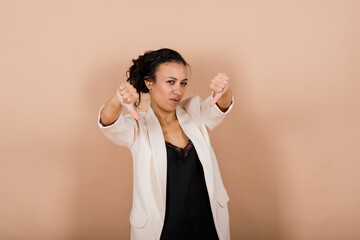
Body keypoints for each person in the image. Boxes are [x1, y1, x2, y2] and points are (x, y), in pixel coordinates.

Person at [97, 48, 234, 240]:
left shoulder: (194, 112)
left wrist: (224, 90)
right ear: (149, 82)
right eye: (170, 82)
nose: (178, 91)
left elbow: (220, 106)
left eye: (183, 83)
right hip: (162, 230)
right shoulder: (138, 127)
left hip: (207, 224)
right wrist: (118, 100)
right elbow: (108, 123)